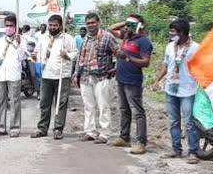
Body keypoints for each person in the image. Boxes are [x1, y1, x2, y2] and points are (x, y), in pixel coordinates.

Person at [151, 19, 200, 164]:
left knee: (189, 122)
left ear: (183, 32)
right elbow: (166, 65)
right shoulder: (169, 47)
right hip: (171, 88)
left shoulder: (196, 48)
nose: (171, 34)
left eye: (173, 31)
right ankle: (176, 149)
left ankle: (193, 151)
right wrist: (157, 80)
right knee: (173, 121)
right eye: (170, 31)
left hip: (188, 89)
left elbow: (201, 67)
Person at [108, 14, 152, 155]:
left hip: (133, 81)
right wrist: (127, 23)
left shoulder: (143, 42)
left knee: (137, 112)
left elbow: (146, 62)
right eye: (126, 25)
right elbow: (110, 28)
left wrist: (127, 58)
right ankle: (124, 137)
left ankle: (141, 142)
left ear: (138, 27)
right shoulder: (126, 37)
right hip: (121, 78)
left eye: (129, 26)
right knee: (124, 110)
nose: (126, 28)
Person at [74, 13, 118, 143]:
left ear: (98, 22)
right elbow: (79, 58)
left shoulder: (107, 37)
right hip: (85, 77)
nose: (90, 25)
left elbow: (118, 53)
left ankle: (105, 133)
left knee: (103, 106)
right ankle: (90, 131)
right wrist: (76, 74)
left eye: (93, 22)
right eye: (88, 23)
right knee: (88, 106)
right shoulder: (85, 39)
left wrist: (116, 68)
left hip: (102, 77)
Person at [32, 15, 77, 140]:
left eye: (55, 25)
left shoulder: (67, 39)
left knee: (60, 104)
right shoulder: (43, 38)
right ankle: (42, 128)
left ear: (60, 26)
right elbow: (37, 53)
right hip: (46, 75)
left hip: (62, 76)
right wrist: (34, 57)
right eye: (50, 25)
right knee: (44, 103)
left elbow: (74, 53)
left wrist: (66, 55)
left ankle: (58, 129)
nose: (52, 27)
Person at [0, 14, 25, 137]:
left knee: (15, 101)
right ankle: (1, 127)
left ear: (16, 27)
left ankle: (15, 128)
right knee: (2, 101)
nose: (8, 28)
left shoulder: (21, 40)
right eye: (7, 26)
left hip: (14, 74)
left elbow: (23, 56)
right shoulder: (0, 41)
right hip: (2, 74)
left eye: (11, 26)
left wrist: (19, 44)